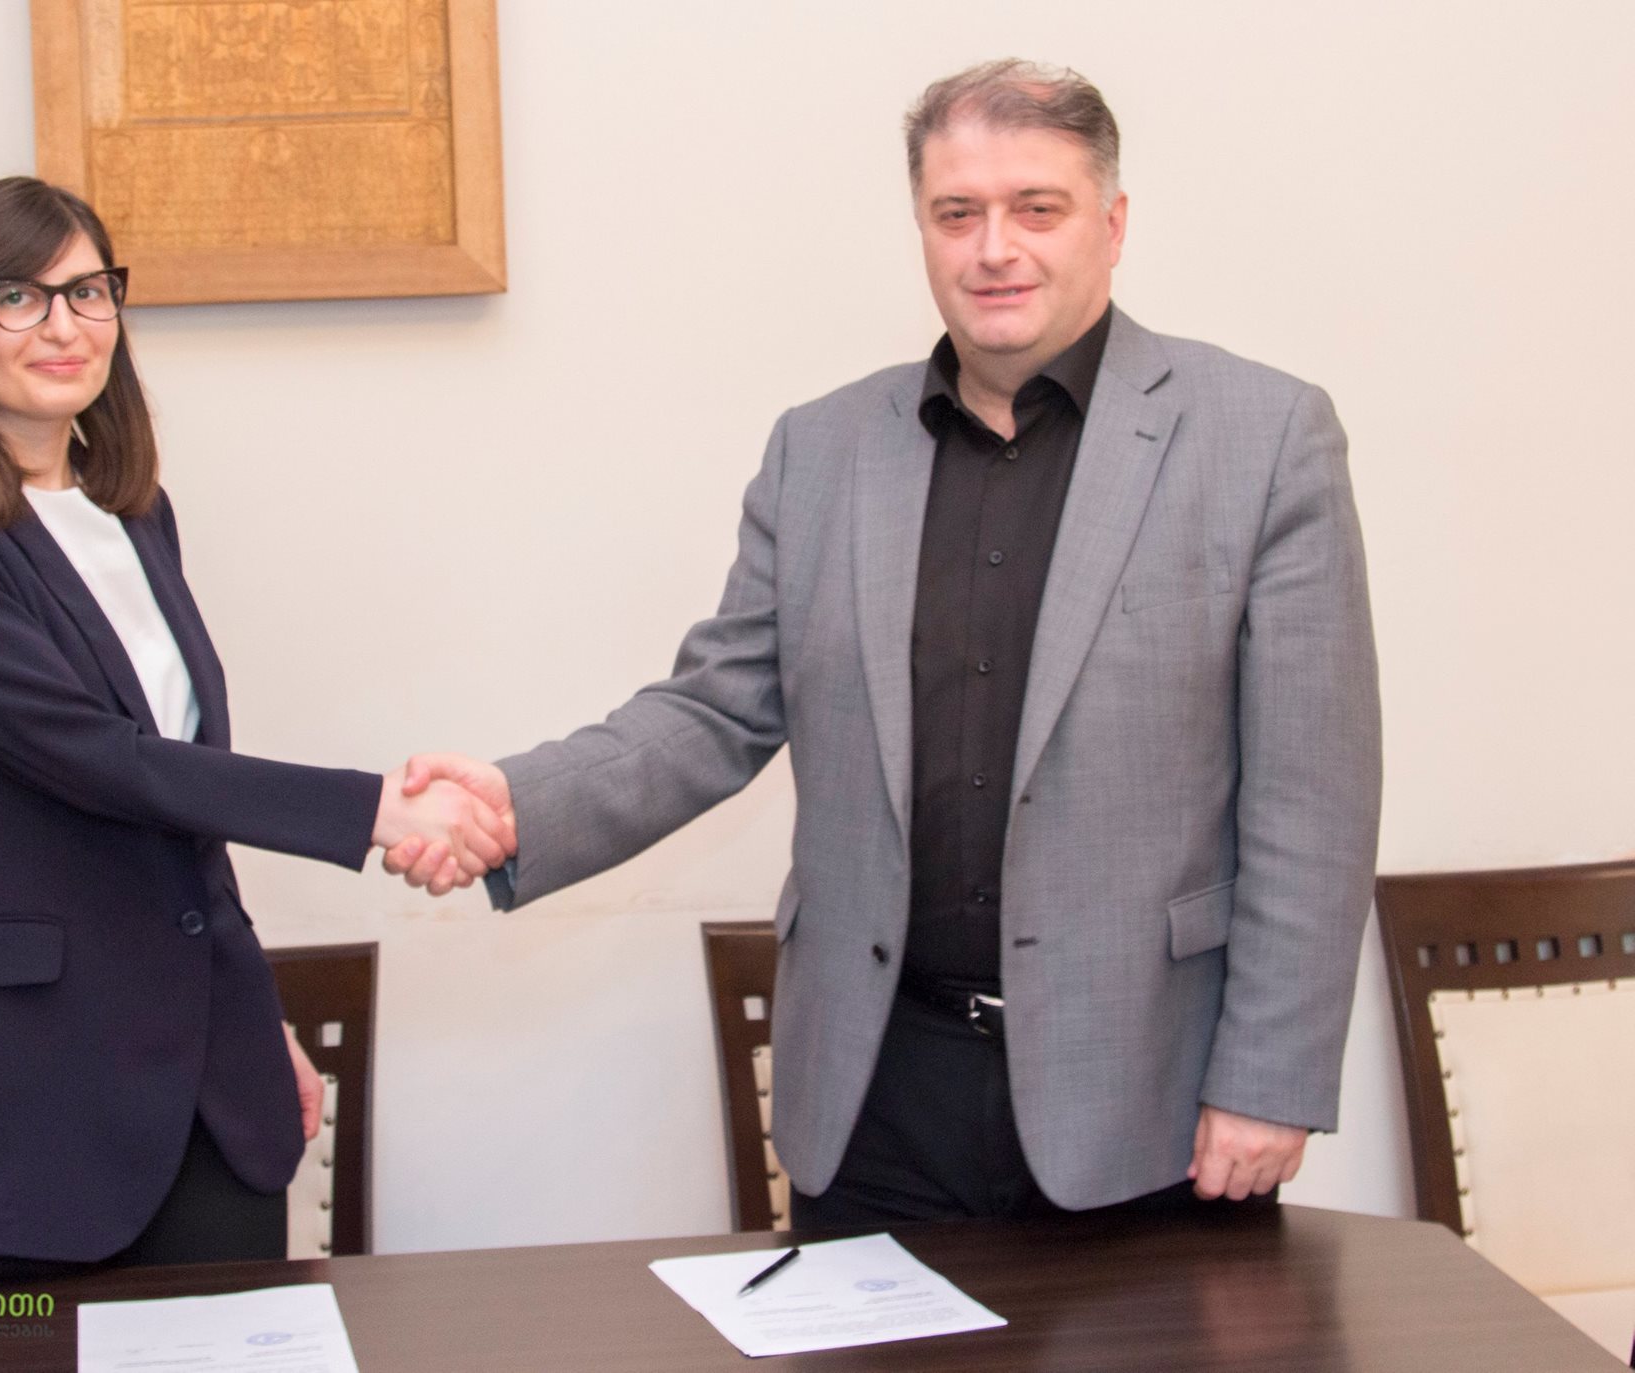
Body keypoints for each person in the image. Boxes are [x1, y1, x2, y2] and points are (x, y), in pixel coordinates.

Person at [385, 60, 1381, 1224]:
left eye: (1036, 208)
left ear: (1110, 227)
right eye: (957, 213)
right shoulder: (820, 449)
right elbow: (713, 709)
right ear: (921, 228)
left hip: (1148, 1100)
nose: (993, 248)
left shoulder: (1263, 437)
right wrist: (516, 802)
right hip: (875, 1098)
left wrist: (1267, 1078)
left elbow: (1311, 795)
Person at [0, 177, 512, 1280]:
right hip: (14, 1107)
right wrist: (377, 810)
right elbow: (94, 758)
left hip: (203, 1086)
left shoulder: (136, 517)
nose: (65, 326)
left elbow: (177, 806)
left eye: (88, 290)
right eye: (19, 296)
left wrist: (248, 1012)